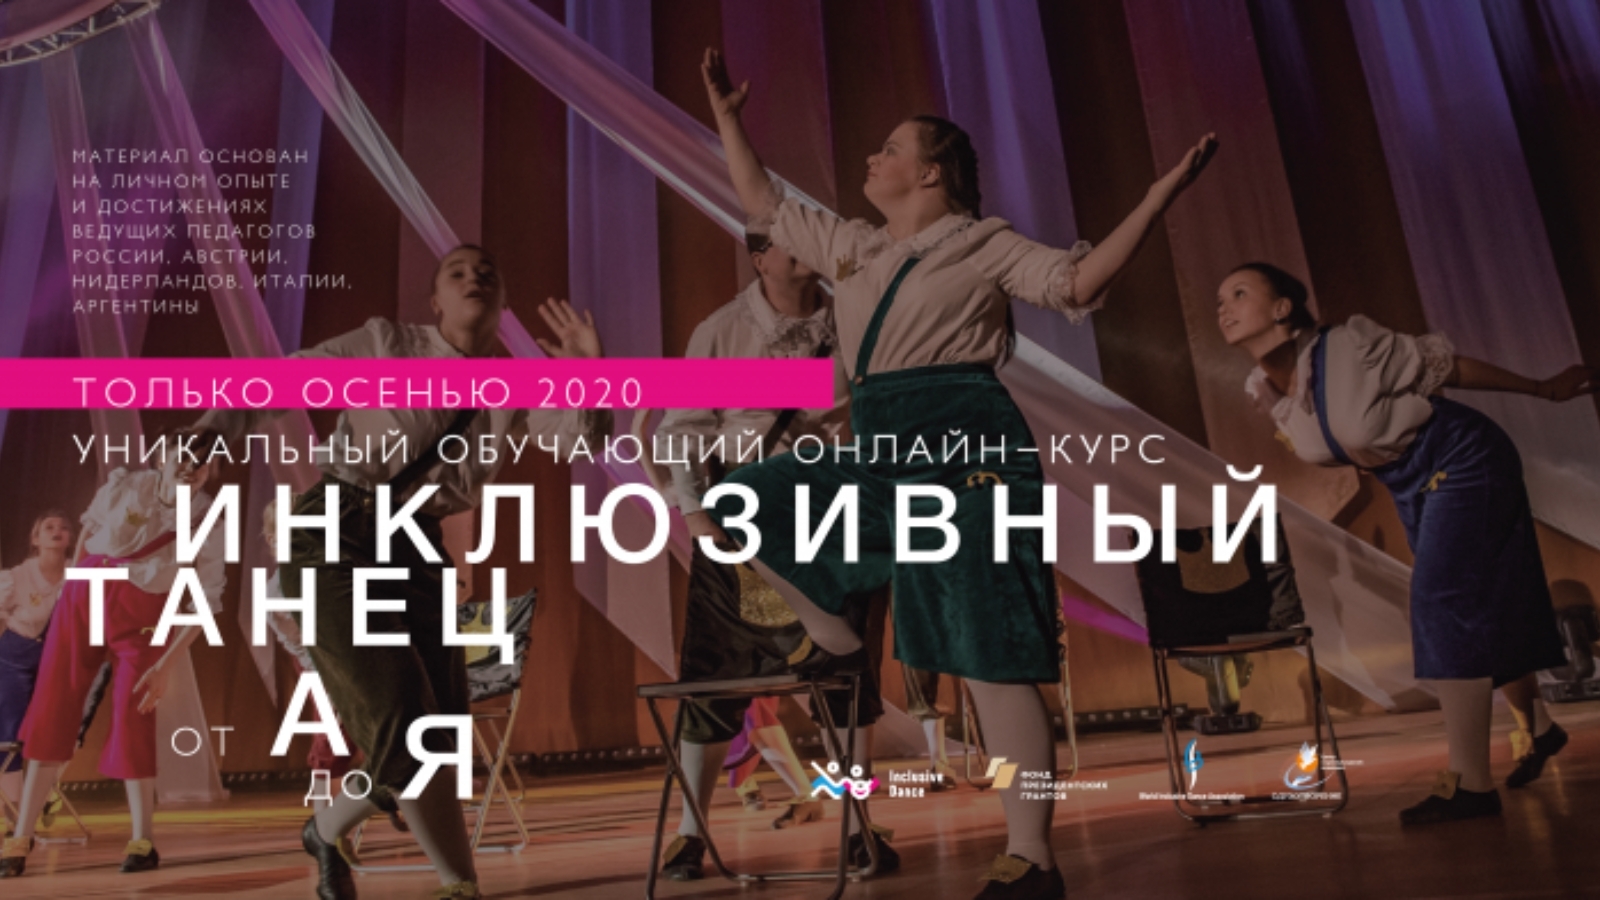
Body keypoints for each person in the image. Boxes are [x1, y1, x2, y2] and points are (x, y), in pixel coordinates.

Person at [699, 48, 1214, 899]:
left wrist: (1156, 198)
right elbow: (764, 204)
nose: (873, 159)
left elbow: (1075, 281)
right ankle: (832, 630)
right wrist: (727, 118)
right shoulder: (856, 247)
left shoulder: (983, 242)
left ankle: (1032, 855)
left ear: (932, 173)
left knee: (990, 655)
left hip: (967, 446)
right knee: (744, 498)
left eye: (890, 149)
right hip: (883, 442)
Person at [197, 245, 611, 900]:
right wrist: (213, 430)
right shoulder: (386, 344)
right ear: (435, 302)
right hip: (337, 529)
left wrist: (591, 374)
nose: (475, 276)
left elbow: (579, 439)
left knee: (440, 736)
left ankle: (331, 831)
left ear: (503, 304)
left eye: (488, 271)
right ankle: (452, 881)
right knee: (400, 715)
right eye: (457, 271)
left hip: (417, 543)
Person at [1216, 261, 1591, 824]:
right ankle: (1539, 727)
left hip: (1463, 456)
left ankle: (1469, 784)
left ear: (1282, 308)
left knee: (1443, 601)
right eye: (1219, 300)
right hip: (1409, 482)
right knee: (1479, 603)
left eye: (1239, 293)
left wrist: (1542, 388)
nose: (1224, 307)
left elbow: (1445, 367)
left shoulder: (1348, 347)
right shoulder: (1263, 390)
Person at [2, 446, 227, 878]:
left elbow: (207, 599)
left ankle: (143, 840)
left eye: (201, 463)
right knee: (52, 710)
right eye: (181, 457)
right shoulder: (126, 483)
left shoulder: (208, 519)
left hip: (143, 611)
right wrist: (73, 589)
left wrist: (165, 664)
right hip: (85, 596)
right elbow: (89, 532)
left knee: (134, 715)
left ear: (209, 473)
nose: (190, 468)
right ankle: (20, 836)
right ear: (161, 459)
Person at [0, 512, 73, 827]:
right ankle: (12, 813)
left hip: (55, 659)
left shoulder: (77, 574)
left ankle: (45, 793)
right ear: (35, 539)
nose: (58, 531)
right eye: (49, 527)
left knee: (52, 729)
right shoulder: (16, 577)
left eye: (64, 528)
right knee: (9, 732)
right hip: (14, 657)